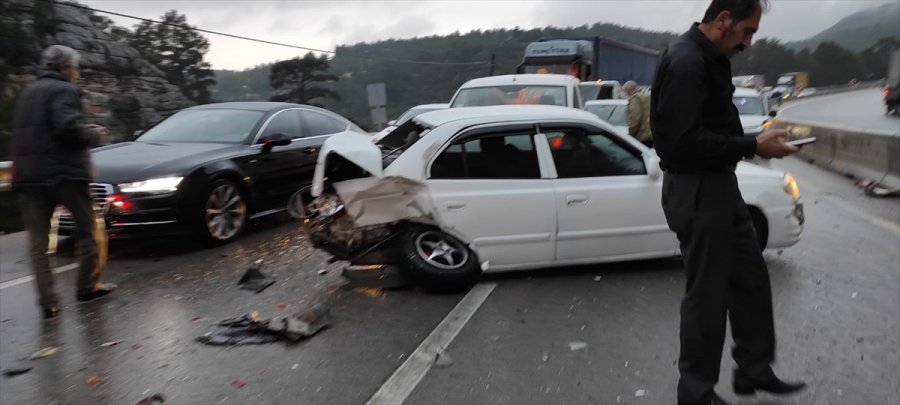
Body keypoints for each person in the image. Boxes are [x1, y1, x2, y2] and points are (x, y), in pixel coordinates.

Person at [649, 1, 806, 404]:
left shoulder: (710, 57)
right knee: (708, 294)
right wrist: (753, 145)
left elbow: (715, 126)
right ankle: (695, 390)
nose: (749, 42)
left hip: (719, 184)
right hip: (696, 189)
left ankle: (753, 368)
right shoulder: (686, 63)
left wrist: (756, 141)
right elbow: (682, 143)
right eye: (748, 31)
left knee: (750, 279)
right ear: (723, 21)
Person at [10, 45, 117, 320]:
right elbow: (66, 128)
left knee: (39, 243)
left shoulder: (27, 93)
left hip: (29, 177)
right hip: (66, 176)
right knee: (91, 231)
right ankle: (88, 286)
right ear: (64, 68)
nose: (77, 74)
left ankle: (49, 303)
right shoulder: (64, 89)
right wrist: (94, 133)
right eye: (76, 68)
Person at [622, 80, 653, 147]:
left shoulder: (636, 98)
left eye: (625, 92)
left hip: (642, 135)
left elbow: (635, 119)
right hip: (651, 134)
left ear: (629, 90)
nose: (625, 94)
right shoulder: (647, 95)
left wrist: (630, 134)